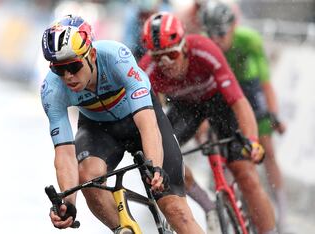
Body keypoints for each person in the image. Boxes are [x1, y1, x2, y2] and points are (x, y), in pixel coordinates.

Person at [40, 15, 204, 234]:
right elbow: (64, 153)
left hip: (139, 119)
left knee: (177, 212)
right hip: (98, 128)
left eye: (73, 66)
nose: (68, 76)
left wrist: (154, 166)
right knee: (88, 178)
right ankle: (124, 230)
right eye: (59, 70)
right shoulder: (52, 90)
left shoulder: (116, 58)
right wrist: (68, 201)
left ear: (92, 54)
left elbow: (147, 124)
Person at [139, 12, 277, 234]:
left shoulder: (203, 49)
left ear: (184, 47)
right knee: (162, 158)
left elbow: (239, 101)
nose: (165, 64)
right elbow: (147, 124)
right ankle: (208, 205)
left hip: (219, 102)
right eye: (158, 57)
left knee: (246, 174)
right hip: (186, 108)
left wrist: (252, 141)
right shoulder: (147, 70)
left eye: (172, 55)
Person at [201, 1, 288, 232]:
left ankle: (282, 214)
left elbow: (265, 83)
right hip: (223, 97)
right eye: (211, 33)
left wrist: (274, 115)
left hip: (248, 90)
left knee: (267, 149)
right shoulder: (205, 44)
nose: (216, 39)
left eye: (221, 32)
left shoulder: (248, 40)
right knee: (221, 148)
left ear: (233, 27)